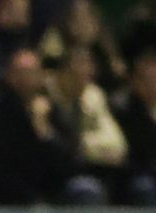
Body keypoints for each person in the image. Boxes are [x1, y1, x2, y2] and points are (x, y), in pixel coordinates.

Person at [0, 49, 95, 205]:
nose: (29, 78)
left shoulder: (47, 111)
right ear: (10, 76)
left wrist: (45, 131)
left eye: (34, 72)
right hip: (6, 199)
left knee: (86, 188)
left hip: (50, 194)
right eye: (23, 73)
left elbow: (70, 162)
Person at [49, 44, 132, 203]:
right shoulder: (46, 97)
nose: (85, 74)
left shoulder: (93, 96)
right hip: (50, 176)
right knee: (87, 189)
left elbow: (118, 147)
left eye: (89, 69)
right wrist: (80, 147)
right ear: (63, 72)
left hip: (85, 171)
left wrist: (82, 146)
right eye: (78, 69)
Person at [39, 0, 126, 89]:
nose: (85, 26)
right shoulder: (56, 50)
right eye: (78, 19)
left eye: (88, 19)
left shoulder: (105, 56)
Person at [114, 47, 156, 206]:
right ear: (136, 82)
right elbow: (139, 151)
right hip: (133, 176)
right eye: (150, 80)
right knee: (145, 188)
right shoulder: (123, 108)